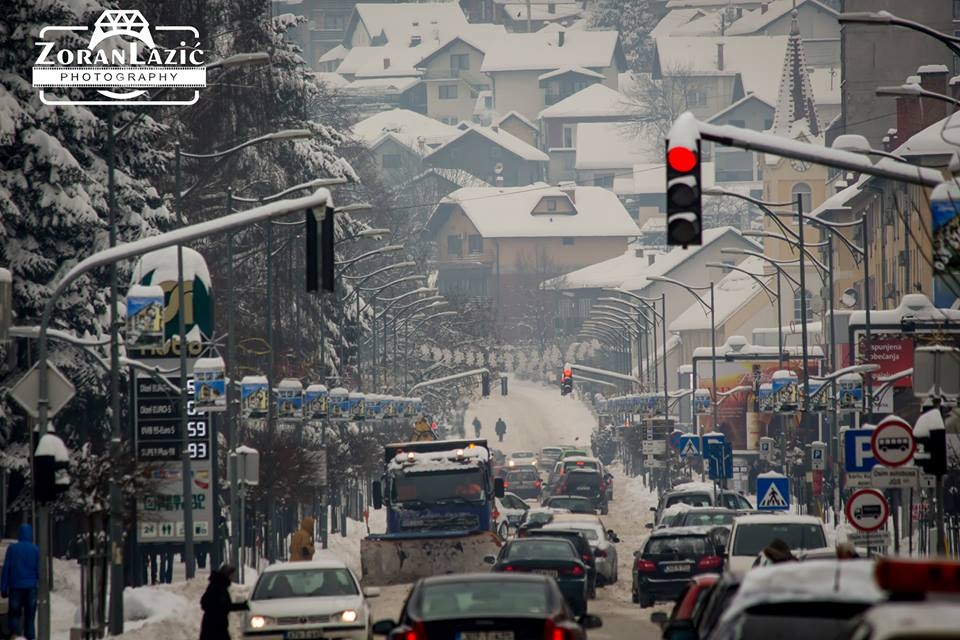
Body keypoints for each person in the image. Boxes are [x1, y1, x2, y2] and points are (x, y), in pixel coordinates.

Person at [1, 523, 40, 640]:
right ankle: (30, 637)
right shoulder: (35, 549)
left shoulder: (12, 549)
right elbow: (39, 569)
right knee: (30, 616)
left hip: (15, 587)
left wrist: (3, 588)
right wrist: (39, 583)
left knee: (14, 614)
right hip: (31, 588)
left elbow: (6, 569)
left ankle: (16, 635)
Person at [199, 564, 248, 640]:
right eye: (232, 575)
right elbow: (224, 606)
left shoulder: (216, 585)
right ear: (227, 575)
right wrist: (243, 606)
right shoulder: (219, 587)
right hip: (216, 628)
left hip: (211, 626)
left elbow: (204, 602)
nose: (233, 578)